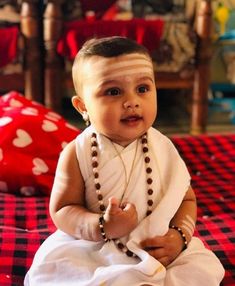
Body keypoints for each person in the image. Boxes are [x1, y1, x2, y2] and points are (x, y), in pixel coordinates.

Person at [24, 36, 224, 285]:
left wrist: (178, 237)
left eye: (142, 89)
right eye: (114, 92)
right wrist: (101, 225)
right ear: (82, 106)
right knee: (60, 272)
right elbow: (63, 210)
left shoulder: (163, 148)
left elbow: (186, 199)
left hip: (157, 247)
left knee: (199, 271)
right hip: (94, 247)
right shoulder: (77, 153)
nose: (132, 101)